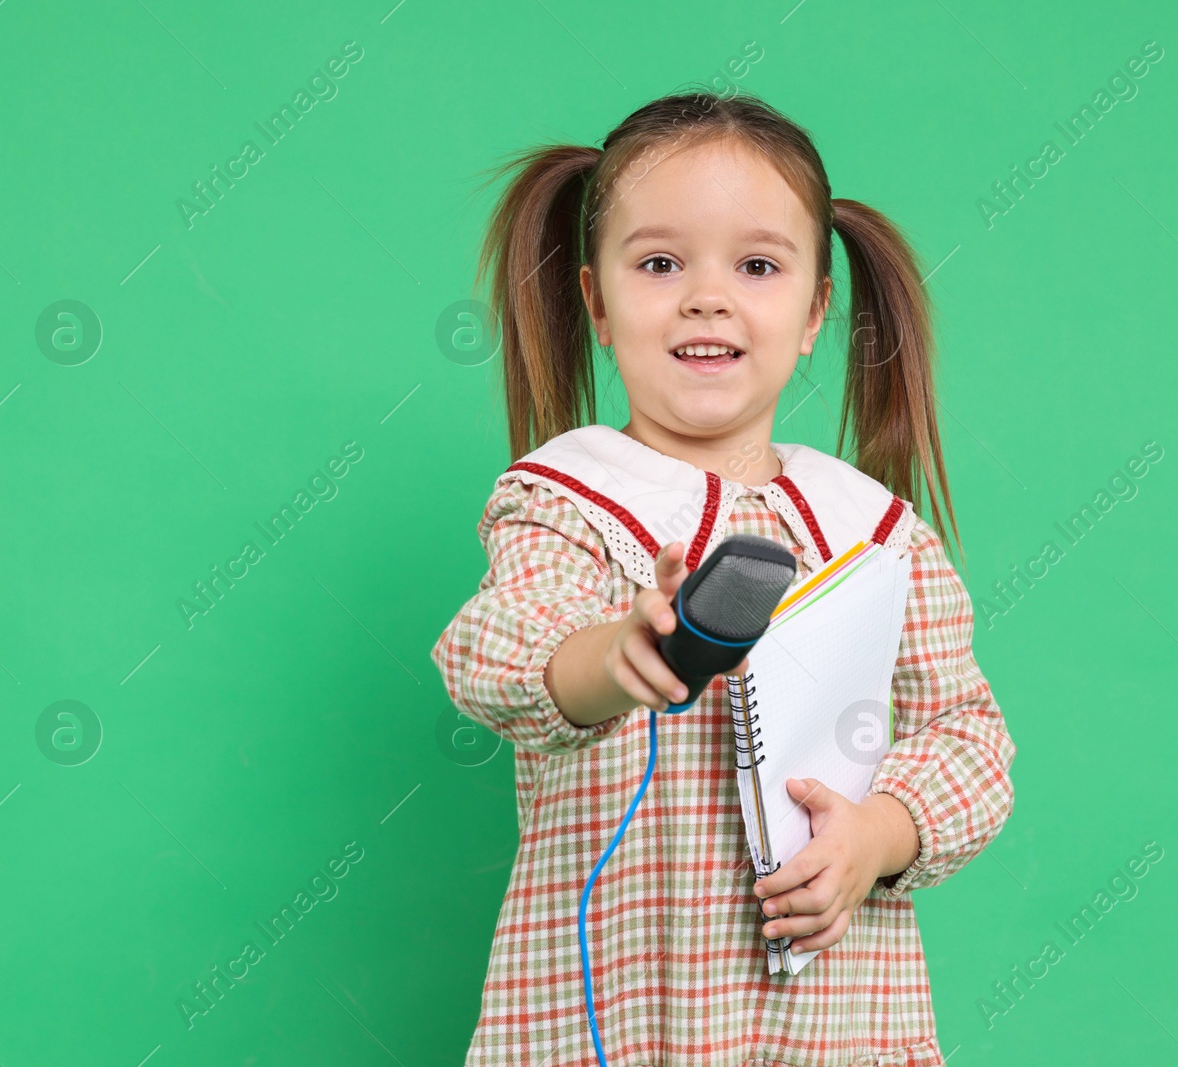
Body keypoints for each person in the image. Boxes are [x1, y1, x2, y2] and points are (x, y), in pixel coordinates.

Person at [431, 89, 1016, 1067]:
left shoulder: (874, 534)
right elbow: (499, 648)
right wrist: (616, 655)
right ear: (598, 304)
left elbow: (968, 739)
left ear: (813, 309)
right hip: (619, 1007)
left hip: (833, 1018)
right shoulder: (571, 501)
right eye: (659, 263)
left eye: (756, 265)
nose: (707, 296)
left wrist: (876, 832)